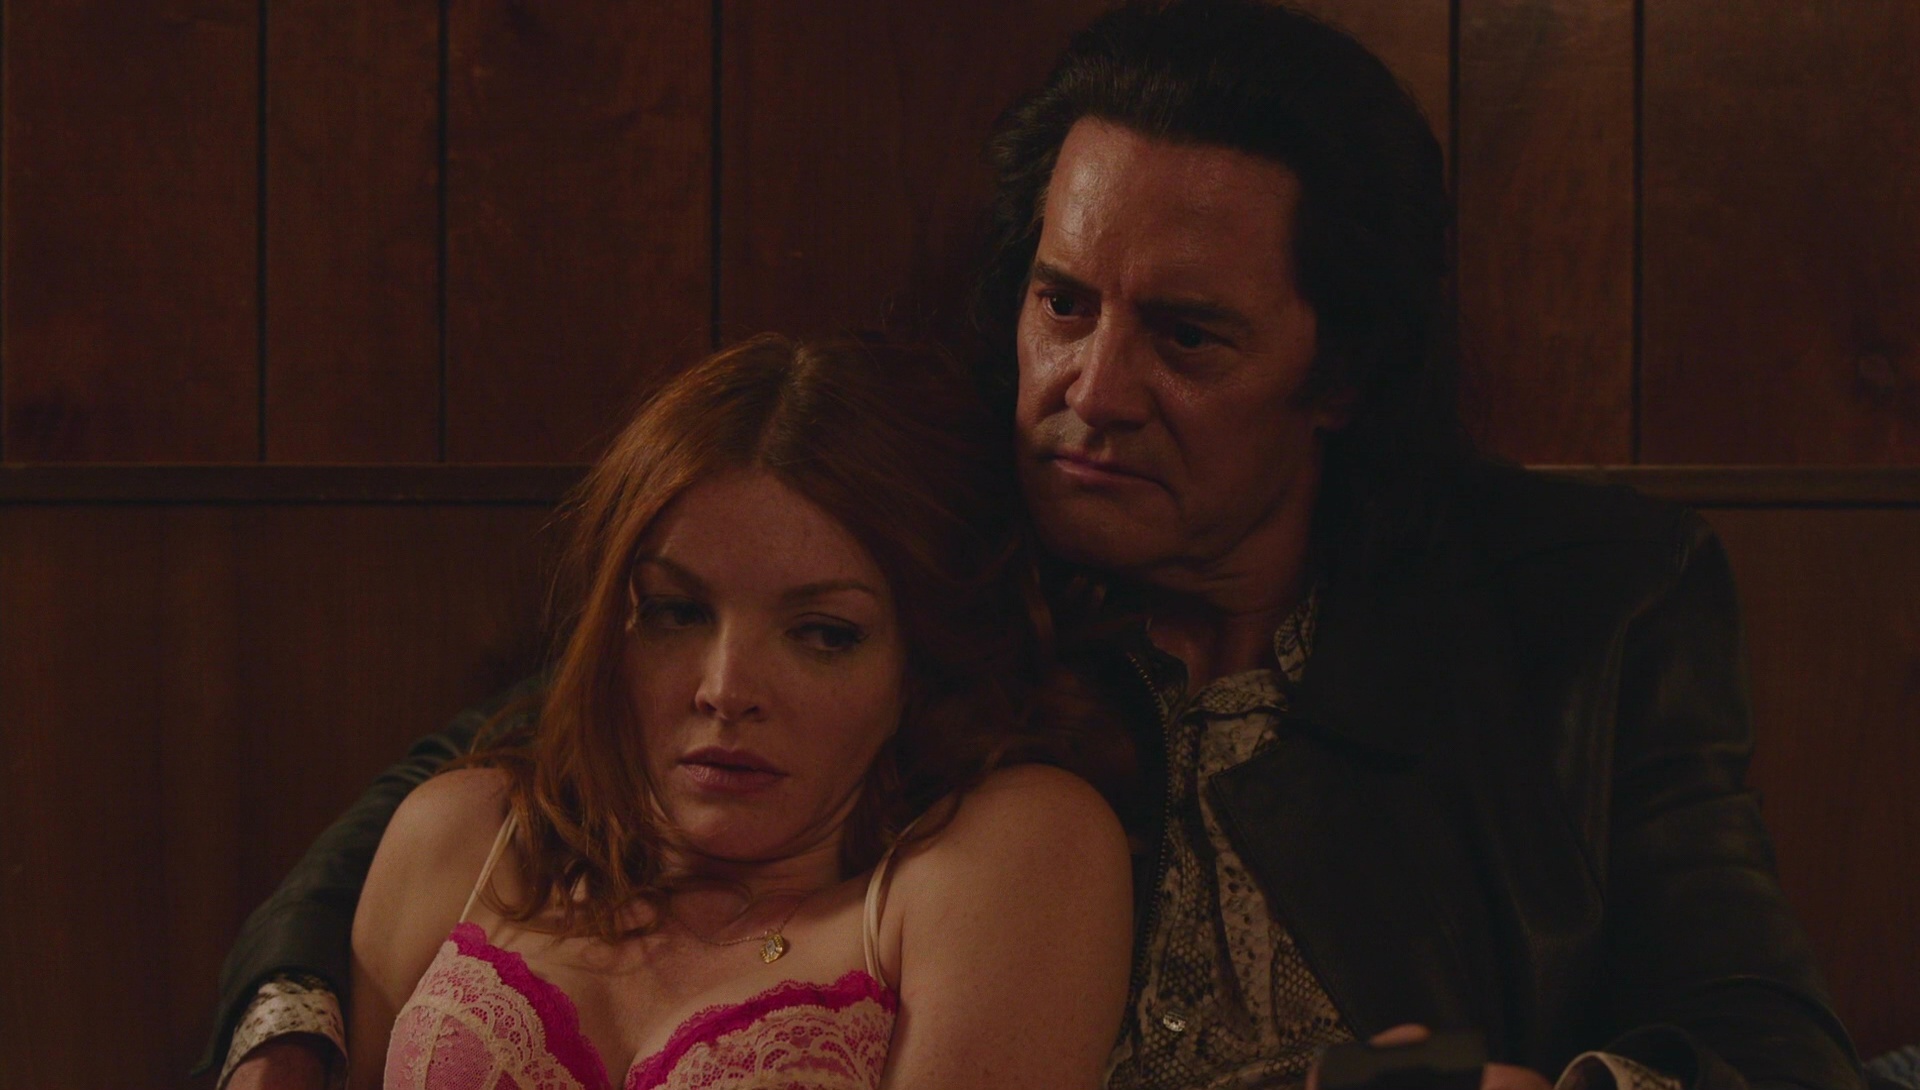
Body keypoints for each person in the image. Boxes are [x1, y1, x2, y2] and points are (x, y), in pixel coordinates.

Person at [205, 3, 1867, 1089]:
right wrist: (287, 1023)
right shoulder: (926, 533)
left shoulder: (1574, 607)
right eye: (1062, 304)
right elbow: (513, 762)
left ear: (1341, 373)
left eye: (1187, 337)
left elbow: (1768, 1037)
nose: (1091, 390)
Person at [340, 334, 1132, 1088]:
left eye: (823, 634)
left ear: (919, 664)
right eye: (677, 613)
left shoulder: (1005, 854)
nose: (725, 689)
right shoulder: (460, 837)